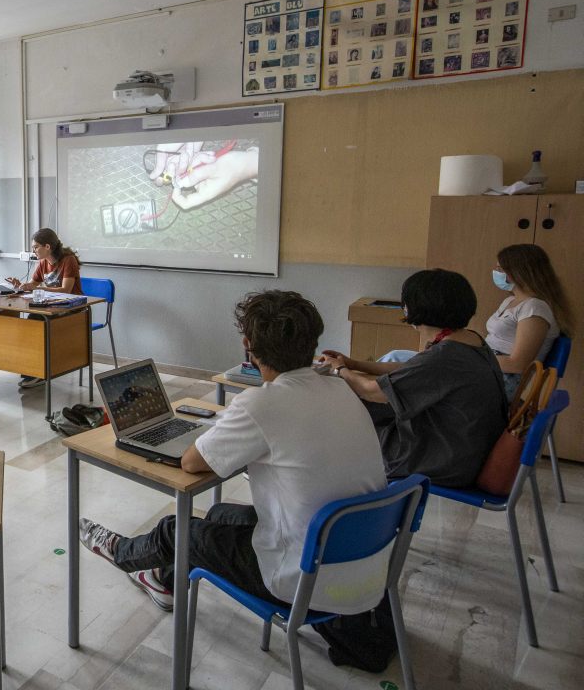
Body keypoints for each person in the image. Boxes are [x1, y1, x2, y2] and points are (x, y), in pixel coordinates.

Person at [79, 290, 386, 622]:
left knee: (176, 528)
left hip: (304, 581)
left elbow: (191, 463)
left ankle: (118, 552)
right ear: (313, 341)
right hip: (365, 565)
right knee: (220, 514)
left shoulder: (261, 403)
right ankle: (162, 581)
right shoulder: (340, 388)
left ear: (248, 347)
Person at [319, 269, 507, 487]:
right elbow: (413, 368)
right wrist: (353, 364)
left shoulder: (446, 355)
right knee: (364, 410)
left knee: (350, 415)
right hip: (466, 447)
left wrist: (340, 370)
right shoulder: (469, 340)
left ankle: (344, 485)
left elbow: (371, 390)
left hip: (444, 461)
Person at [487, 244, 573, 399]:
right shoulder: (510, 301)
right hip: (490, 368)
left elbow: (518, 364)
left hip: (503, 380)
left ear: (519, 272)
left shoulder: (535, 307)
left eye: (500, 269)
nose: (496, 273)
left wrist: (475, 358)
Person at [7, 228, 82, 389]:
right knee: (31, 324)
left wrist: (38, 289)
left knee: (34, 322)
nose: (33, 250)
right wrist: (21, 286)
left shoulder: (69, 260)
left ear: (47, 246)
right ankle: (32, 371)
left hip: (73, 308)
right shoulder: (42, 263)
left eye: (35, 247)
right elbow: (33, 285)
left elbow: (66, 290)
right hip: (51, 307)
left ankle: (37, 373)